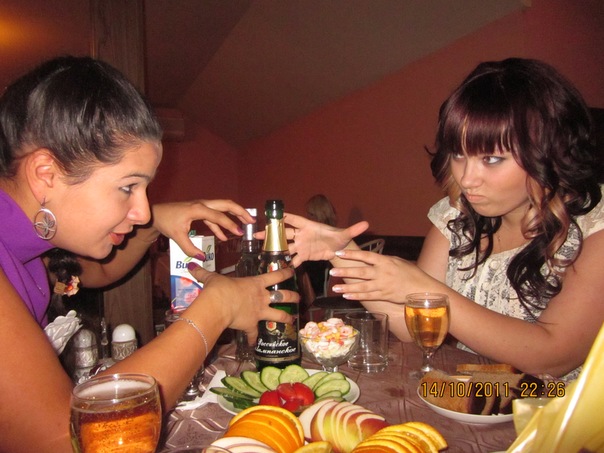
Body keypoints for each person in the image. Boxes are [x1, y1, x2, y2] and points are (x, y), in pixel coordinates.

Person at [0, 56, 297, 453]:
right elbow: (66, 439)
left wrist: (155, 222)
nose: (141, 211)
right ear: (46, 174)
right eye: (128, 187)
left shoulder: (33, 245)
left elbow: (95, 273)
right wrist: (218, 307)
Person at [282, 58, 604, 381]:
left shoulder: (594, 226)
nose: (466, 179)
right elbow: (413, 329)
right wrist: (341, 252)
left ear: (548, 151)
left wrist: (428, 291)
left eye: (492, 159)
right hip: (465, 396)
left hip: (551, 407)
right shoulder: (456, 217)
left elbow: (553, 357)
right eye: (459, 154)